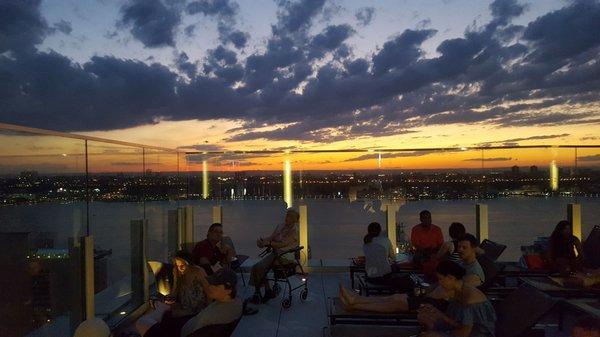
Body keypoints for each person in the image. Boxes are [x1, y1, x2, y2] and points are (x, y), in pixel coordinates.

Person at [338, 233, 485, 314]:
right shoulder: (462, 264)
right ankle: (356, 300)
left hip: (439, 304)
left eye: (464, 247)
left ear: (474, 249)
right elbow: (444, 284)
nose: (459, 250)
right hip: (431, 295)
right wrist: (427, 288)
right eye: (459, 246)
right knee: (397, 296)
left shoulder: (474, 274)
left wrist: (428, 294)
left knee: (398, 302)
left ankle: (356, 305)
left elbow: (453, 295)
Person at [417, 260, 496, 337]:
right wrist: (440, 314)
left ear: (451, 278)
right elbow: (459, 324)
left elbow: (464, 333)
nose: (439, 283)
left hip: (476, 334)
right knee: (425, 318)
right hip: (463, 330)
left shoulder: (469, 299)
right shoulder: (458, 290)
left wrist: (440, 334)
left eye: (440, 279)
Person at [140, 250, 209, 337]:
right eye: (177, 265)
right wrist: (168, 298)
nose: (180, 268)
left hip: (197, 309)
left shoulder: (198, 272)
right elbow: (175, 291)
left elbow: (208, 291)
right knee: (166, 317)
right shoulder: (177, 273)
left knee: (173, 320)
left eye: (182, 265)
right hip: (184, 306)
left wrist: (208, 310)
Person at [249, 209, 300, 304]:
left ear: (295, 220)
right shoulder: (280, 226)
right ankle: (265, 291)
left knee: (258, 267)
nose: (287, 218)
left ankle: (260, 293)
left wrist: (268, 243)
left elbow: (283, 244)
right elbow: (271, 237)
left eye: (290, 216)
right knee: (258, 268)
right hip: (275, 254)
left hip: (284, 256)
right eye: (287, 215)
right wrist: (263, 241)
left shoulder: (294, 231)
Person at [180, 268, 243, 337]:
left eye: (215, 285)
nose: (209, 287)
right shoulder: (236, 301)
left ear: (229, 290)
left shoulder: (212, 316)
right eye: (211, 283)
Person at [362, 222, 414, 292]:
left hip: (369, 276)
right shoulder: (385, 240)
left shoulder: (366, 244)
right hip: (383, 276)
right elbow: (393, 258)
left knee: (393, 269)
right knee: (401, 273)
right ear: (380, 231)